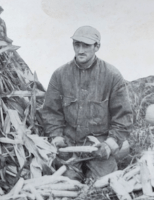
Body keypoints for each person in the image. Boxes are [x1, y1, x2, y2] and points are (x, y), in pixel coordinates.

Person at [41, 26, 133, 181]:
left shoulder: (112, 76)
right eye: (77, 45)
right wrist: (56, 137)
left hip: (99, 145)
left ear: (97, 47)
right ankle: (74, 171)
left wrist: (109, 145)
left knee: (103, 186)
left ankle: (103, 165)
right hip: (69, 145)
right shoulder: (60, 75)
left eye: (86, 45)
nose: (80, 50)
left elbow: (123, 117)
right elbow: (51, 112)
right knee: (66, 181)